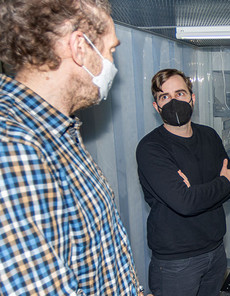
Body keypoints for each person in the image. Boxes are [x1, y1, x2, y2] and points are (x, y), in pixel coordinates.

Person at [0, 0, 143, 295]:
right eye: (110, 50)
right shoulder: (13, 148)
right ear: (80, 47)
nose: (112, 64)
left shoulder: (58, 132)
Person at [136, 69, 230, 296]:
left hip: (215, 251)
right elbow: (186, 203)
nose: (173, 101)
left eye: (180, 93)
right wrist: (219, 184)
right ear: (157, 107)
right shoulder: (151, 148)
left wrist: (197, 192)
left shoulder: (209, 136)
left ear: (193, 98)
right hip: (177, 263)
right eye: (165, 97)